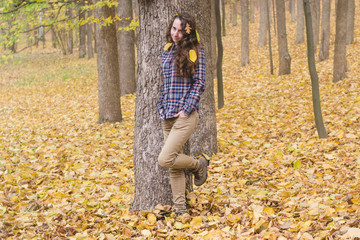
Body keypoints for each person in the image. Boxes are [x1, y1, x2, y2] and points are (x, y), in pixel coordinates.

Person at [157, 13, 209, 216]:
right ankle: (180, 210)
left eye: (180, 30)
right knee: (173, 164)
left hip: (185, 115)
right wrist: (162, 105)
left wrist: (186, 109)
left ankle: (198, 164)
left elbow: (199, 83)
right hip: (167, 114)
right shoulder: (167, 50)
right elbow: (166, 84)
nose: (176, 34)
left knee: (165, 159)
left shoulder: (196, 51)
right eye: (173, 29)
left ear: (187, 32)